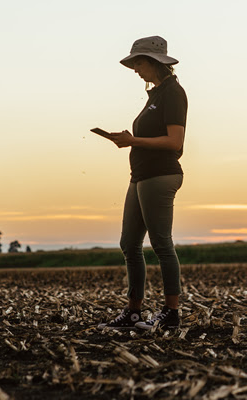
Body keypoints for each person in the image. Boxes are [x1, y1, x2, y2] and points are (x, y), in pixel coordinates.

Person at [98, 36, 188, 331]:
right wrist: (127, 140)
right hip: (140, 176)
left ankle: (171, 313)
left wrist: (132, 140)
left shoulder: (173, 93)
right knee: (129, 244)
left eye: (138, 62)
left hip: (159, 176)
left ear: (153, 62)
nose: (135, 68)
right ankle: (133, 313)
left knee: (161, 243)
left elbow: (176, 142)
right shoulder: (156, 95)